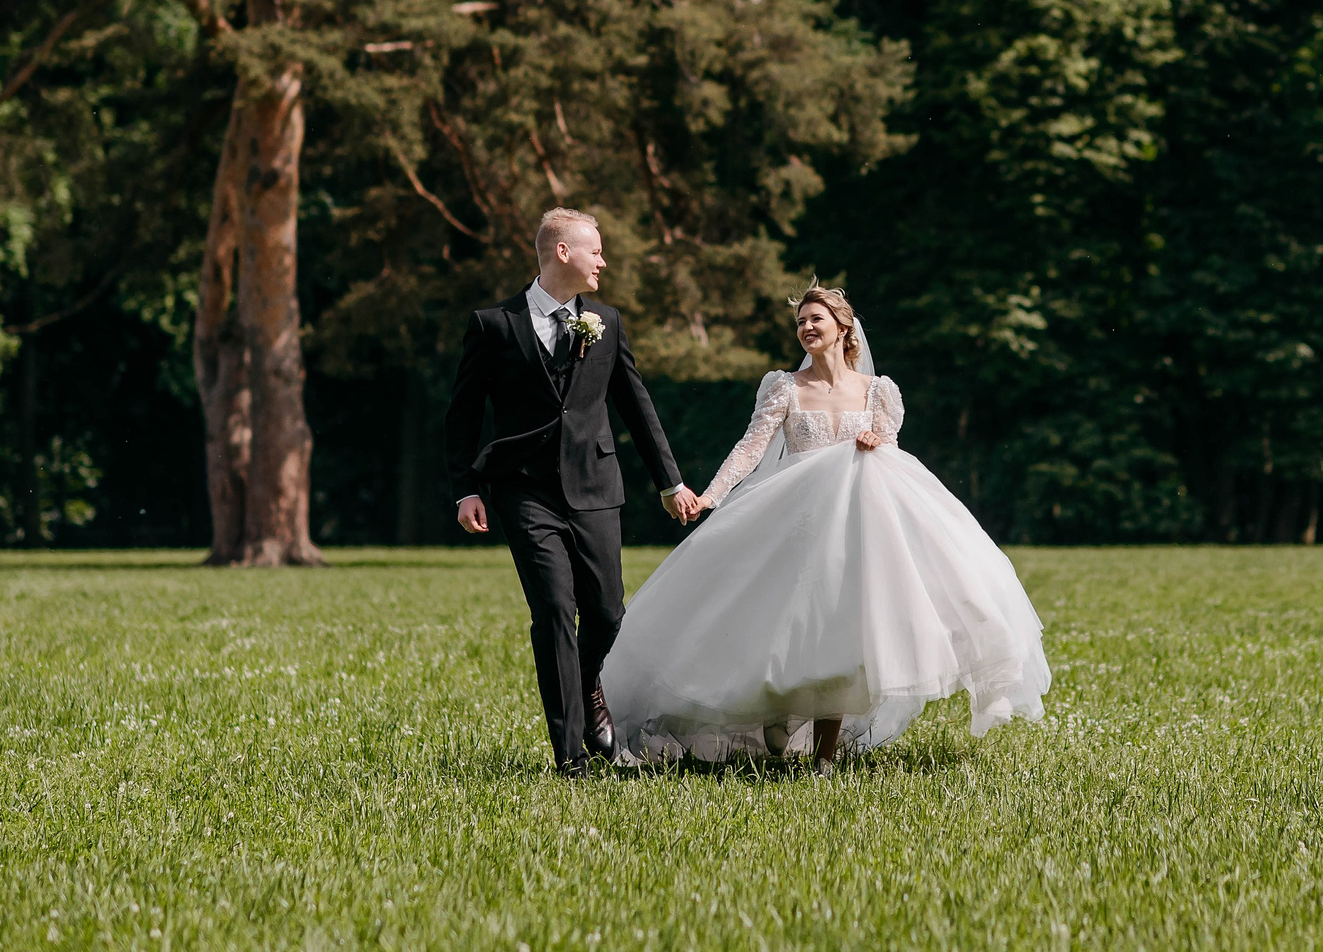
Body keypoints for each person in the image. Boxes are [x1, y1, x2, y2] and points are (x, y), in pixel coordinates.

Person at [599, 285, 1050, 773]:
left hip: (859, 529)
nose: (807, 328)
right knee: (785, 628)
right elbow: (751, 449)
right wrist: (712, 495)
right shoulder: (785, 388)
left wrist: (877, 441)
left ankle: (825, 755)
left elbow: (890, 450)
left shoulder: (879, 392)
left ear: (843, 326)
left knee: (844, 633)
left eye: (816, 319)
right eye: (800, 322)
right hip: (799, 523)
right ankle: (775, 718)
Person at [446, 209, 699, 776]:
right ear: (563, 252)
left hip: (596, 487)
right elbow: (461, 416)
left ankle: (590, 698)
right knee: (556, 611)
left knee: (608, 613)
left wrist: (671, 481)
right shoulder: (492, 324)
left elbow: (635, 403)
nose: (603, 262)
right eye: (597, 251)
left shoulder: (606, 320)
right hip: (524, 492)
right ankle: (570, 756)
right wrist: (466, 489)